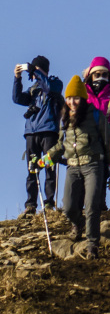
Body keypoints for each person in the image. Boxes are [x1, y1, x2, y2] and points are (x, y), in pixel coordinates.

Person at [37, 75, 105, 258]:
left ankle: (92, 244)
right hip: (72, 167)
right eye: (69, 98)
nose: (72, 102)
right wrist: (43, 161)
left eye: (76, 98)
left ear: (83, 98)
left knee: (91, 205)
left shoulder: (95, 114)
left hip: (92, 164)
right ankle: (78, 223)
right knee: (68, 207)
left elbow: (107, 140)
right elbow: (61, 146)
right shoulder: (64, 117)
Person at [12, 56, 63, 217]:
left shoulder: (54, 83)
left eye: (35, 70)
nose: (32, 74)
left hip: (49, 132)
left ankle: (48, 203)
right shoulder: (33, 90)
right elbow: (17, 98)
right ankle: (31, 204)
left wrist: (36, 71)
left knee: (49, 167)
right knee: (31, 169)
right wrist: (17, 78)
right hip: (31, 134)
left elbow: (49, 88)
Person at [83, 56, 110, 208]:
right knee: (93, 174)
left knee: (108, 171)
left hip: (108, 138)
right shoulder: (85, 94)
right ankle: (96, 204)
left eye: (104, 74)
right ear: (91, 76)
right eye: (97, 74)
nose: (101, 78)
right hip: (89, 140)